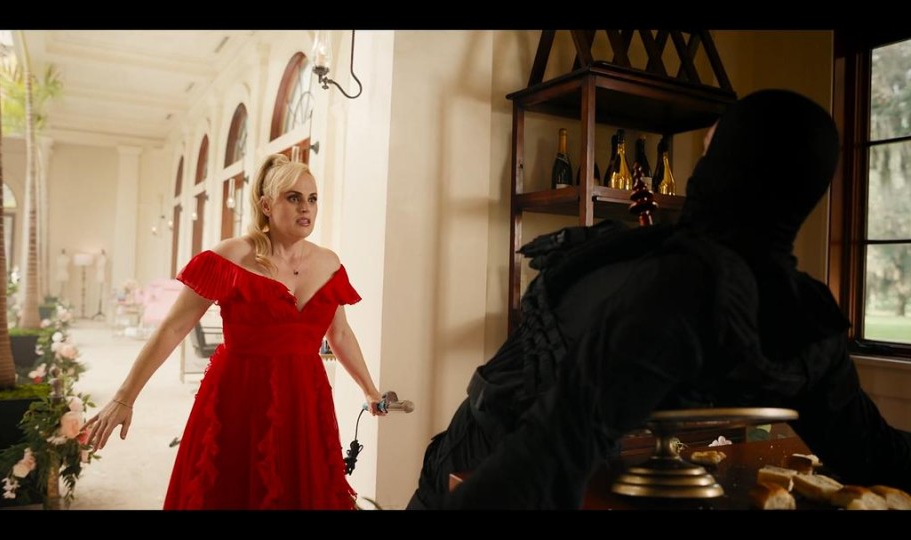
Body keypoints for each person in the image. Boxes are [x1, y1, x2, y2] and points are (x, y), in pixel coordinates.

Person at [407, 89, 911, 510]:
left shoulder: (685, 282)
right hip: (494, 450)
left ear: (725, 166)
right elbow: (872, 450)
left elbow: (552, 451)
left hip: (503, 467)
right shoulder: (803, 315)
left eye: (712, 151)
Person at [85, 153, 385, 510]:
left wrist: (369, 389)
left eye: (312, 198)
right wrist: (125, 397)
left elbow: (341, 335)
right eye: (293, 197)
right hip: (240, 396)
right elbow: (174, 328)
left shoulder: (329, 262)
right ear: (266, 205)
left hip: (305, 398)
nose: (306, 207)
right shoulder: (231, 256)